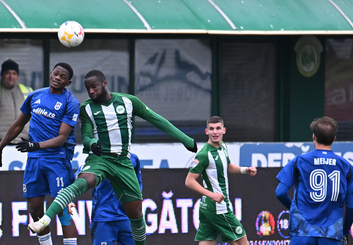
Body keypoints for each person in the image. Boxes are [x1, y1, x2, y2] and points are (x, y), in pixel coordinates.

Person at [28, 69, 198, 245]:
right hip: (99, 160)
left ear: (104, 83)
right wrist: (92, 143)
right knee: (81, 182)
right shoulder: (86, 108)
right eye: (88, 89)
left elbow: (156, 119)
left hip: (122, 162)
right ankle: (45, 220)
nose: (91, 92)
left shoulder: (128, 101)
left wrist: (185, 140)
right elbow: (85, 136)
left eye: (94, 87)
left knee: (136, 213)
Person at [0, 63, 80, 245]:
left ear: (68, 82)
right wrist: (0, 148)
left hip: (57, 160)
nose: (57, 78)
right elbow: (18, 125)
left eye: (62, 76)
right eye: (55, 74)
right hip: (34, 161)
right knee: (35, 209)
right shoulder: (35, 96)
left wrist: (36, 145)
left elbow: (62, 137)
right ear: (50, 74)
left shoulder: (71, 103)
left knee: (62, 209)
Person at [275, 116, 353, 245]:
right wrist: (345, 231)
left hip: (302, 231)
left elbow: (280, 192)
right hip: (332, 233)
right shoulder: (346, 166)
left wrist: (294, 209)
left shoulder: (299, 161)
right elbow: (352, 206)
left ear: (313, 137)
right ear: (334, 139)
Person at [185, 116, 257, 245]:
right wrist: (212, 195)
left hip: (207, 208)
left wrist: (245, 170)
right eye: (211, 129)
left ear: (224, 130)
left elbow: (228, 167)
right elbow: (189, 181)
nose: (215, 132)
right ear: (206, 132)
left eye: (218, 128)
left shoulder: (223, 147)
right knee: (241, 241)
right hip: (218, 207)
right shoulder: (204, 154)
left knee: (207, 242)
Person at [69, 153, 142, 245]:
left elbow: (138, 185)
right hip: (103, 218)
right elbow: (77, 179)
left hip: (128, 217)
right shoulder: (95, 159)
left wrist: (135, 209)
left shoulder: (133, 159)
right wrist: (69, 199)